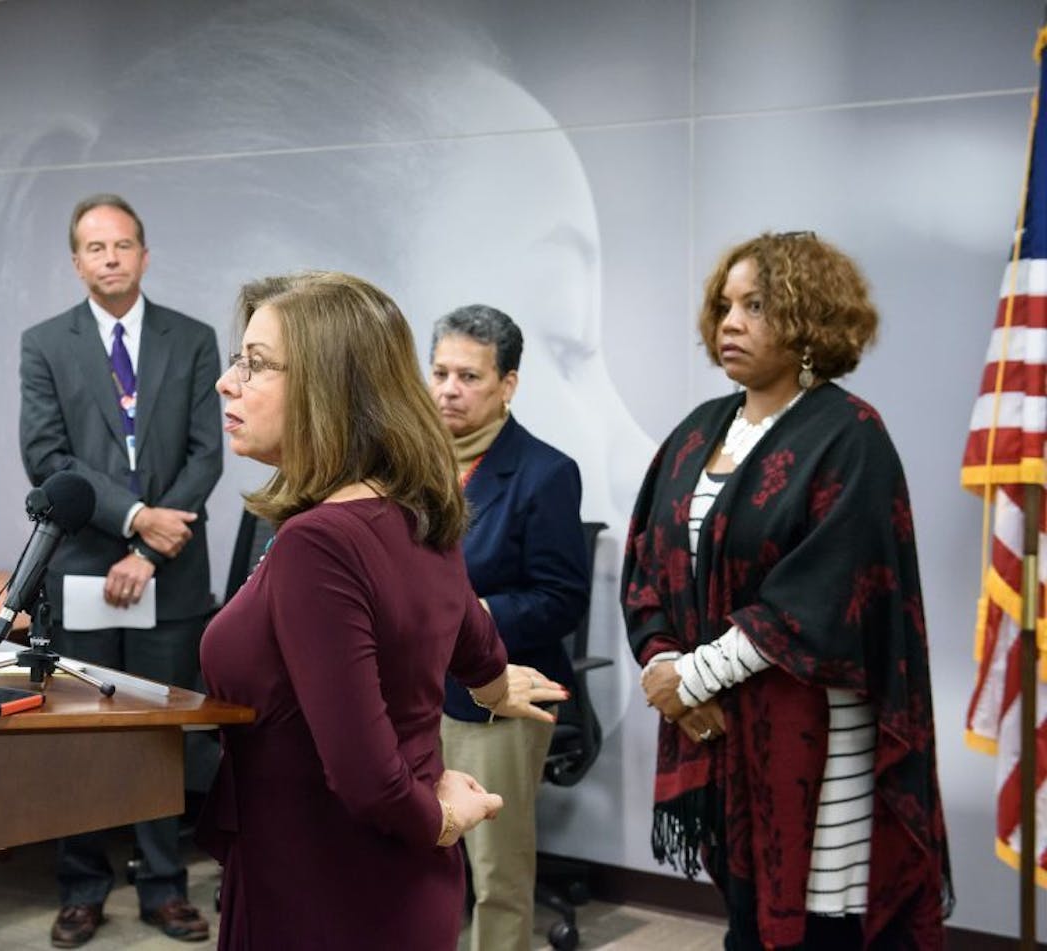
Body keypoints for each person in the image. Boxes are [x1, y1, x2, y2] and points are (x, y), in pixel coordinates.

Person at [199, 271, 569, 950]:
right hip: (374, 879)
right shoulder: (408, 509)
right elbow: (477, 643)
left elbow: (367, 777)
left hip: (328, 890)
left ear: (327, 385)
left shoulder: (320, 541)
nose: (228, 382)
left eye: (255, 364)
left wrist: (438, 814)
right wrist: (491, 687)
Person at [622, 232, 951, 948]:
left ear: (809, 320)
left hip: (815, 736)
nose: (730, 321)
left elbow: (817, 596)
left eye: (758, 305)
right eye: (725, 304)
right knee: (746, 914)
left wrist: (692, 676)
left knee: (814, 923)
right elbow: (648, 562)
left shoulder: (849, 434)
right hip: (717, 720)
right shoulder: (698, 431)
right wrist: (660, 663)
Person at [20, 193, 221, 946]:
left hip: (170, 570)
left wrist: (151, 546)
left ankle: (165, 887)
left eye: (123, 244)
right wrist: (133, 520)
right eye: (95, 247)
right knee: (83, 734)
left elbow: (208, 452)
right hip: (81, 567)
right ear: (76, 261)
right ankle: (81, 885)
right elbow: (47, 458)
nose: (110, 258)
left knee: (159, 732)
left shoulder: (193, 339)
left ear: (144, 253)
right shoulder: (44, 343)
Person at [428, 304, 588, 951]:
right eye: (439, 371)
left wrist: (475, 612)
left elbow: (561, 598)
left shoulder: (545, 472)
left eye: (468, 376)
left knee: (494, 868)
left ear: (508, 384)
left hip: (496, 693)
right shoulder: (408, 462)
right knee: (417, 854)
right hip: (410, 689)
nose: (448, 389)